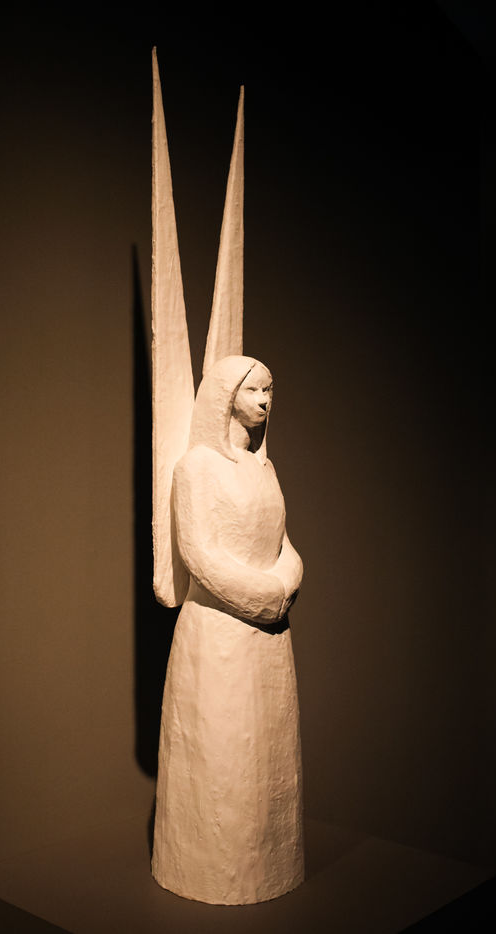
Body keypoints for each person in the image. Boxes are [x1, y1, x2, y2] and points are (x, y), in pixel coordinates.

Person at [152, 354, 304, 905]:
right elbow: (199, 554)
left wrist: (287, 580)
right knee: (221, 766)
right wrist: (266, 597)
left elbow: (284, 543)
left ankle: (272, 864)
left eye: (270, 389)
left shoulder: (264, 468)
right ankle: (206, 867)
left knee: (267, 765)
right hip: (218, 634)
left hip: (269, 638)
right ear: (225, 396)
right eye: (254, 390)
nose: (265, 400)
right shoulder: (196, 468)